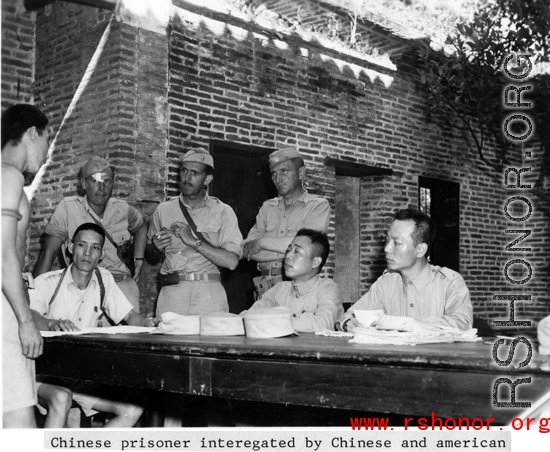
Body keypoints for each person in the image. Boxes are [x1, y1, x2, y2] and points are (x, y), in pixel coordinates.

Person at [29, 222, 157, 427]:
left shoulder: (104, 279)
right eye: (82, 245)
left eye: (95, 247)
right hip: (41, 372)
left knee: (132, 409)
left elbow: (130, 316)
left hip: (79, 375)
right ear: (70, 248)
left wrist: (151, 322)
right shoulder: (48, 282)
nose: (87, 253)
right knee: (62, 398)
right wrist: (51, 323)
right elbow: (28, 315)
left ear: (101, 255)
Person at [33, 156, 148, 314]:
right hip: (85, 290)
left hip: (122, 289)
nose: (102, 188)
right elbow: (48, 253)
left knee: (130, 335)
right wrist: (34, 297)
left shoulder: (122, 208)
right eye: (95, 181)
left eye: (107, 181)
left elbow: (141, 225)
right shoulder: (68, 208)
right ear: (83, 184)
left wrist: (139, 258)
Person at [336, 208, 473, 332]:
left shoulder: (449, 283)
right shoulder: (386, 283)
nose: (387, 249)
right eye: (387, 240)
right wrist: (348, 323)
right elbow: (349, 316)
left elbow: (462, 323)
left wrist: (409, 325)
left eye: (396, 243)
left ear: (420, 250)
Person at [146, 148, 242, 316]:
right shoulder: (163, 210)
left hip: (209, 295)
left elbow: (231, 261)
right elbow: (151, 256)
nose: (187, 178)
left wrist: (193, 242)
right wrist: (154, 248)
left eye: (195, 173)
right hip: (172, 294)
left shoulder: (223, 212)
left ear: (208, 179)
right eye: (184, 171)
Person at [2, 103, 49, 428]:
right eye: (47, 142)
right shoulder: (10, 175)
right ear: (32, 134)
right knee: (21, 431)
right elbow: (4, 254)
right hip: (5, 310)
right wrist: (25, 320)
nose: (46, 155)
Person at [242, 148, 330, 299]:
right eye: (274, 174)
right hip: (265, 289)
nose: (278, 178)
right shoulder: (267, 207)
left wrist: (262, 242)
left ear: (301, 173)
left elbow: (308, 247)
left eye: (284, 171)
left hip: (297, 289)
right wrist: (291, 250)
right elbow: (248, 250)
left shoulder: (317, 206)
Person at [244, 229, 342, 332]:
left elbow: (323, 324)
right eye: (289, 250)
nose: (288, 256)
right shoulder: (279, 289)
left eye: (297, 252)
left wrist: (274, 321)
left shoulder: (328, 289)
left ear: (315, 262)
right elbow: (250, 316)